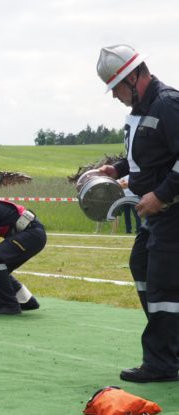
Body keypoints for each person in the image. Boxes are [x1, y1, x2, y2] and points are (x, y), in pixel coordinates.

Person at [95, 44, 179, 383]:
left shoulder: (168, 104)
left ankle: (162, 362)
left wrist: (161, 196)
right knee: (141, 266)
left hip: (172, 213)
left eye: (116, 87)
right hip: (157, 216)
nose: (115, 96)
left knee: (163, 286)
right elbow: (146, 157)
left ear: (133, 78)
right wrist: (117, 169)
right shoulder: (141, 110)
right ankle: (169, 347)